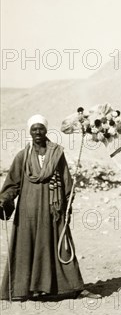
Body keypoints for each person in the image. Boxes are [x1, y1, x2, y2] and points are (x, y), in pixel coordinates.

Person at [0, 115, 98, 301]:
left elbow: (66, 179)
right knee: (25, 248)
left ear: (46, 130)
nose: (38, 132)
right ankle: (24, 289)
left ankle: (77, 289)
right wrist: (4, 200)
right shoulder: (22, 156)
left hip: (54, 209)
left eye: (41, 129)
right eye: (34, 129)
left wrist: (68, 202)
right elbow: (13, 183)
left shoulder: (57, 153)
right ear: (29, 131)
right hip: (27, 211)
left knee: (62, 247)